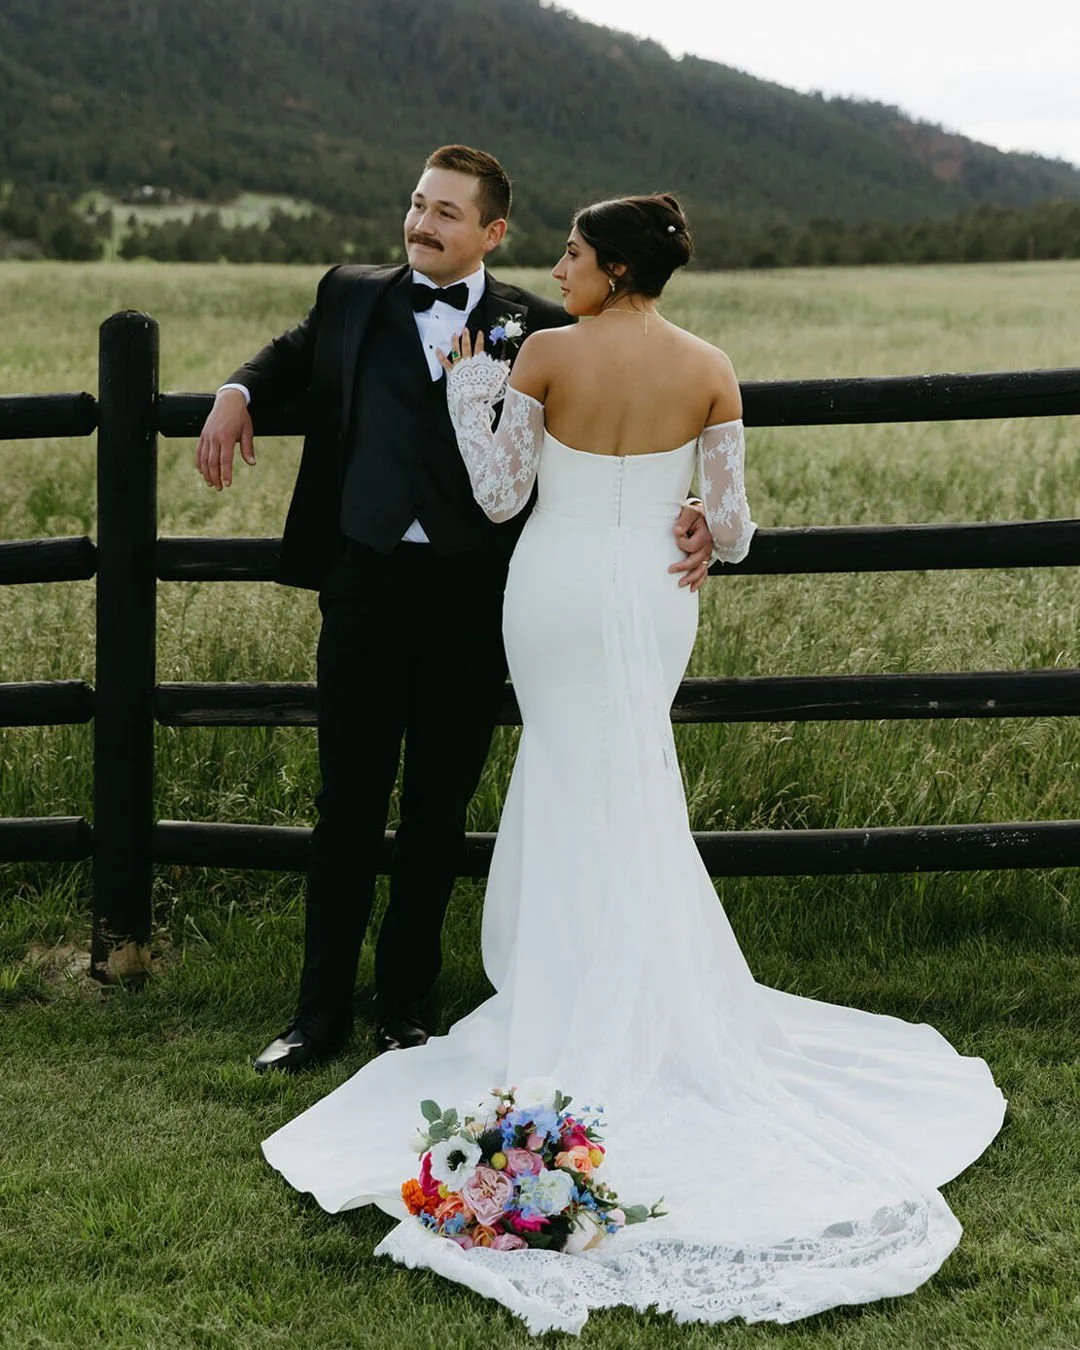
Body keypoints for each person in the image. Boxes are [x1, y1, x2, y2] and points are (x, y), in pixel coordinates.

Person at [259, 194, 1006, 1332]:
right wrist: (700, 523)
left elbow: (503, 493)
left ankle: (568, 986)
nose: (558, 270)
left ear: (611, 268)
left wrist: (473, 394)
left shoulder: (547, 352)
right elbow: (736, 529)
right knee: (630, 780)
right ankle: (634, 985)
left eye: (570, 254)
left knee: (566, 774)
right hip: (657, 599)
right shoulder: (711, 365)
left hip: (553, 592)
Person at [195, 148, 714, 1070]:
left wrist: (695, 508)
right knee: (344, 805)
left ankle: (405, 1005)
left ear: (492, 232)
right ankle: (317, 1015)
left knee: (437, 812)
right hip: (361, 587)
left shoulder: (546, 325)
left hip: (479, 600)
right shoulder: (351, 294)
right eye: (416, 205)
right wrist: (236, 394)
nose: (421, 223)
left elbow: (620, 431)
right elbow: (287, 356)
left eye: (445, 212)